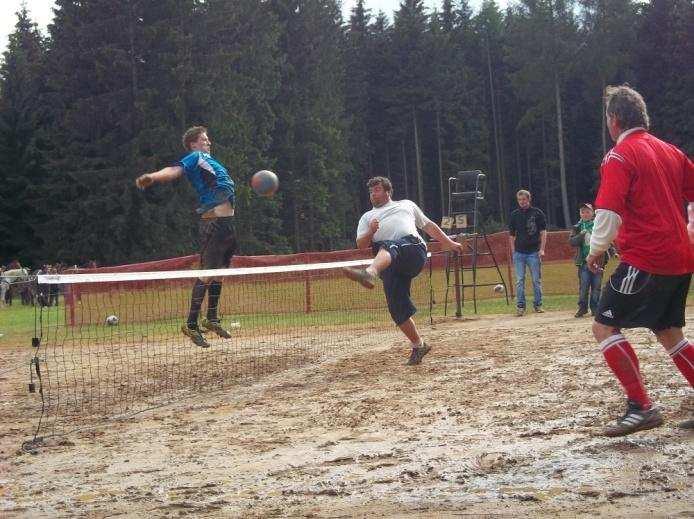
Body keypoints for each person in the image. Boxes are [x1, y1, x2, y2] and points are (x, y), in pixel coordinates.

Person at [586, 85, 694, 436]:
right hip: (680, 257)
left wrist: (595, 251)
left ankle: (641, 406)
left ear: (614, 120)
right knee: (669, 333)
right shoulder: (671, 152)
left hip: (647, 257)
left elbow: (608, 211)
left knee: (604, 325)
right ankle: (641, 406)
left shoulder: (619, 156)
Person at [342, 176, 463, 365]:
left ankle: (369, 273)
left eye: (377, 190)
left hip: (413, 250)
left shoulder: (406, 205)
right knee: (397, 308)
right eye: (371, 191)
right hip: (389, 264)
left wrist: (449, 242)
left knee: (391, 245)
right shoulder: (366, 217)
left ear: (388, 191)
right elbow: (361, 244)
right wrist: (371, 231)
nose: (373, 194)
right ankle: (419, 345)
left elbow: (429, 226)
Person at [136, 126, 237, 349]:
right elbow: (174, 170)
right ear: (193, 144)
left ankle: (211, 319)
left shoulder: (211, 161)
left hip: (226, 224)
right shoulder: (195, 157)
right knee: (207, 273)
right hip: (213, 222)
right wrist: (152, 177)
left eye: (208, 139)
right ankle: (191, 324)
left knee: (219, 274)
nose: (208, 143)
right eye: (204, 140)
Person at [508, 190, 547, 316]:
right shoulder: (514, 215)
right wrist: (513, 251)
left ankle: (538, 304)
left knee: (536, 280)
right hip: (519, 253)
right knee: (519, 280)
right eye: (520, 200)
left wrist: (542, 249)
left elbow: (543, 232)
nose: (522, 202)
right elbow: (511, 235)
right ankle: (520, 306)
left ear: (528, 199)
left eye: (524, 199)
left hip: (533, 252)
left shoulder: (537, 213)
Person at [569, 203, 607, 318]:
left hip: (598, 261)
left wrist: (612, 252)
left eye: (587, 212)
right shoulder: (577, 227)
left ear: (593, 213)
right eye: (583, 212)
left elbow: (606, 239)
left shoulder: (598, 226)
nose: (585, 214)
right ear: (580, 214)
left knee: (596, 286)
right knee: (584, 286)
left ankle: (595, 308)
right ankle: (582, 307)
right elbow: (572, 242)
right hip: (584, 262)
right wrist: (581, 235)